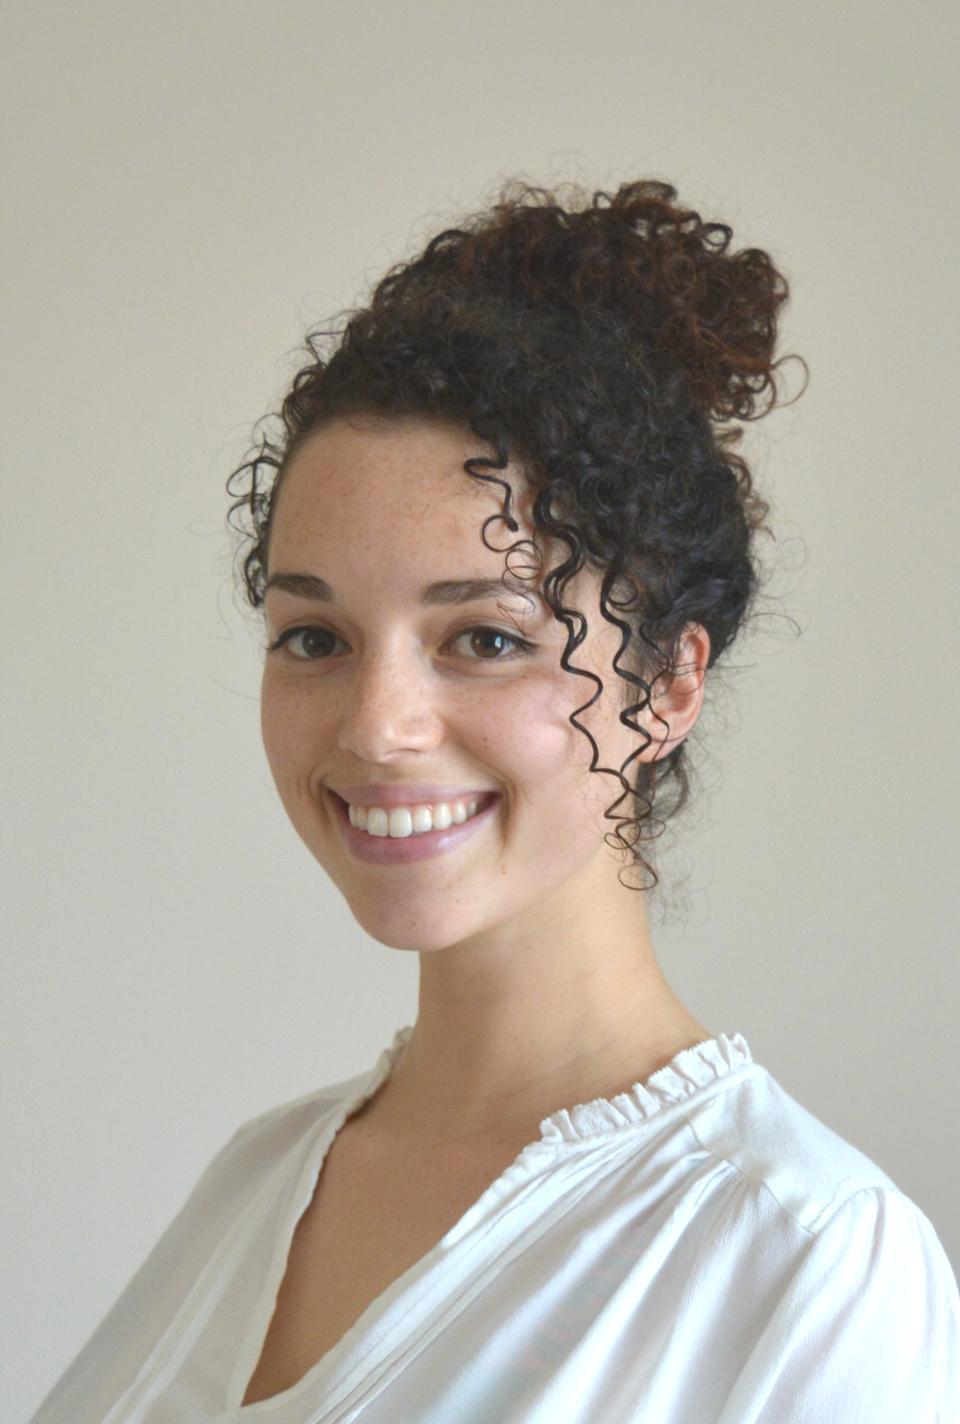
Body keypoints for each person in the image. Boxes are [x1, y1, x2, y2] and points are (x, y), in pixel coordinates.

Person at [32, 178, 959, 1422]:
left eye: (484, 637)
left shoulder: (804, 1256)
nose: (377, 725)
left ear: (669, 683)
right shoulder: (256, 1177)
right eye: (315, 637)